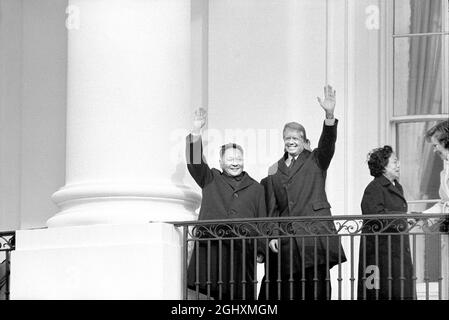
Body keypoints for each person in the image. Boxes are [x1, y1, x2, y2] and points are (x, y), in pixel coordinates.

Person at [259, 85, 346, 300]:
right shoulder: (274, 170)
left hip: (314, 238)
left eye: (295, 137)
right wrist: (272, 235)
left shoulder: (316, 160)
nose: (291, 141)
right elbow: (273, 208)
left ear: (304, 140)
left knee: (317, 291)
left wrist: (329, 116)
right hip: (288, 243)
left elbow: (328, 143)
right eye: (287, 138)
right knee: (291, 293)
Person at [186, 108, 266, 300]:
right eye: (230, 159)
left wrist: (261, 250)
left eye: (238, 159)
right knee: (210, 295)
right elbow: (194, 162)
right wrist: (196, 132)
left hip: (242, 252)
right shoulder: (210, 178)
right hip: (212, 248)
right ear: (221, 162)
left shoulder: (256, 188)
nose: (235, 163)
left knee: (239, 299)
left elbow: (262, 220)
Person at [357, 145, 415, 300]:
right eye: (394, 161)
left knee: (400, 291)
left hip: (396, 251)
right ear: (383, 166)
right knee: (383, 293)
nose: (398, 165)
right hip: (380, 256)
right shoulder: (374, 188)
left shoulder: (397, 186)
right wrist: (402, 219)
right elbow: (374, 215)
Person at [423, 120, 449, 300]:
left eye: (435, 145)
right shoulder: (445, 168)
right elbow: (444, 202)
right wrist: (422, 216)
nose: (434, 150)